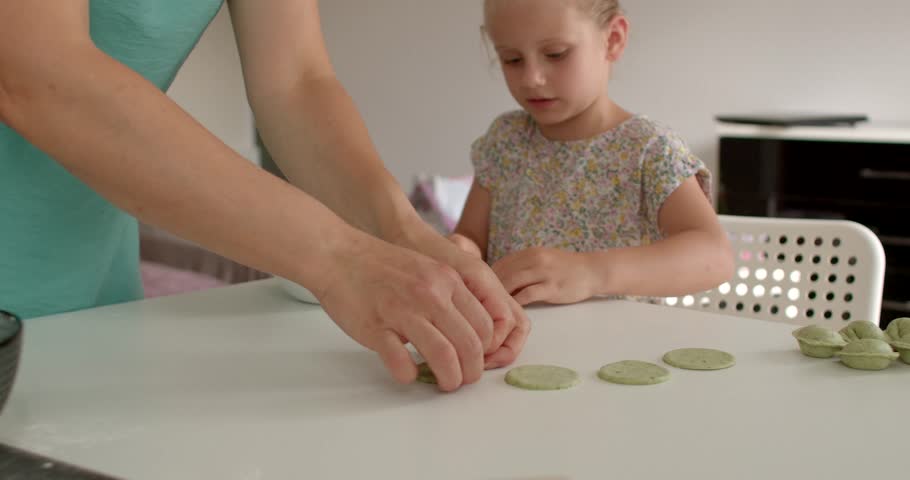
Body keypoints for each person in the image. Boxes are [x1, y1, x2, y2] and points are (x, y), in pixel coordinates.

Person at [0, 0, 529, 392]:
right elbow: (36, 70)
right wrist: (340, 257)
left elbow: (293, 82)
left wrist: (403, 234)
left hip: (93, 307)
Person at [449, 0, 734, 306]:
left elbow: (714, 256)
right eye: (512, 59)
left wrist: (591, 272)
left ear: (613, 39)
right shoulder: (505, 140)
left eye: (555, 54)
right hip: (522, 346)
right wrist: (459, 249)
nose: (531, 78)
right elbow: (472, 238)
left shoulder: (648, 148)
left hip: (615, 346)